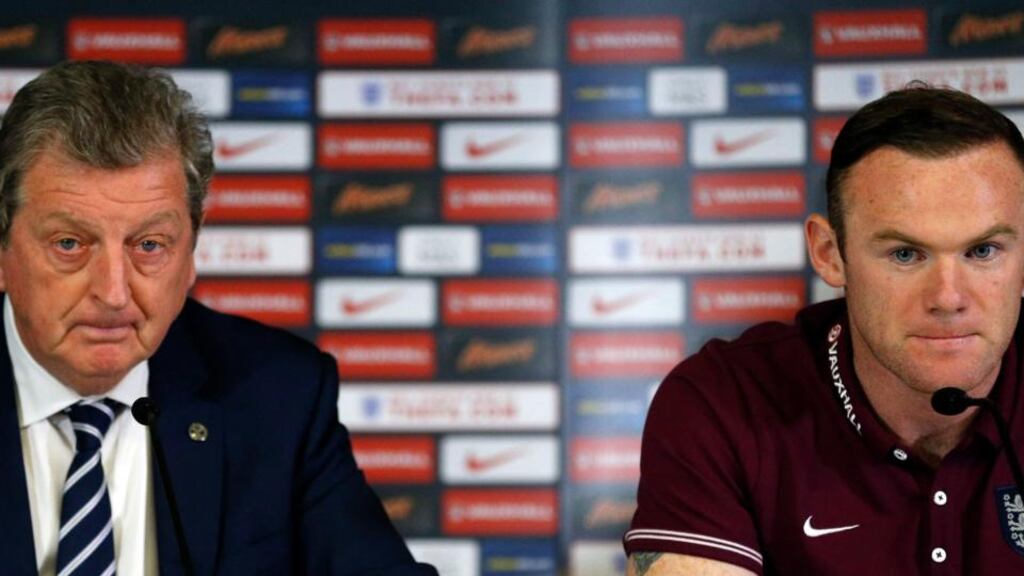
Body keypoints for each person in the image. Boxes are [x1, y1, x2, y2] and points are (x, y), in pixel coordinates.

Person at [0, 60, 436, 576]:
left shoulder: (277, 396)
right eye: (69, 244)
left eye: (149, 245)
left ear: (191, 253)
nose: (114, 293)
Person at [625, 84, 1024, 574]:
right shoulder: (726, 402)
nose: (948, 298)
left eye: (982, 252)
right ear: (830, 255)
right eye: (905, 254)